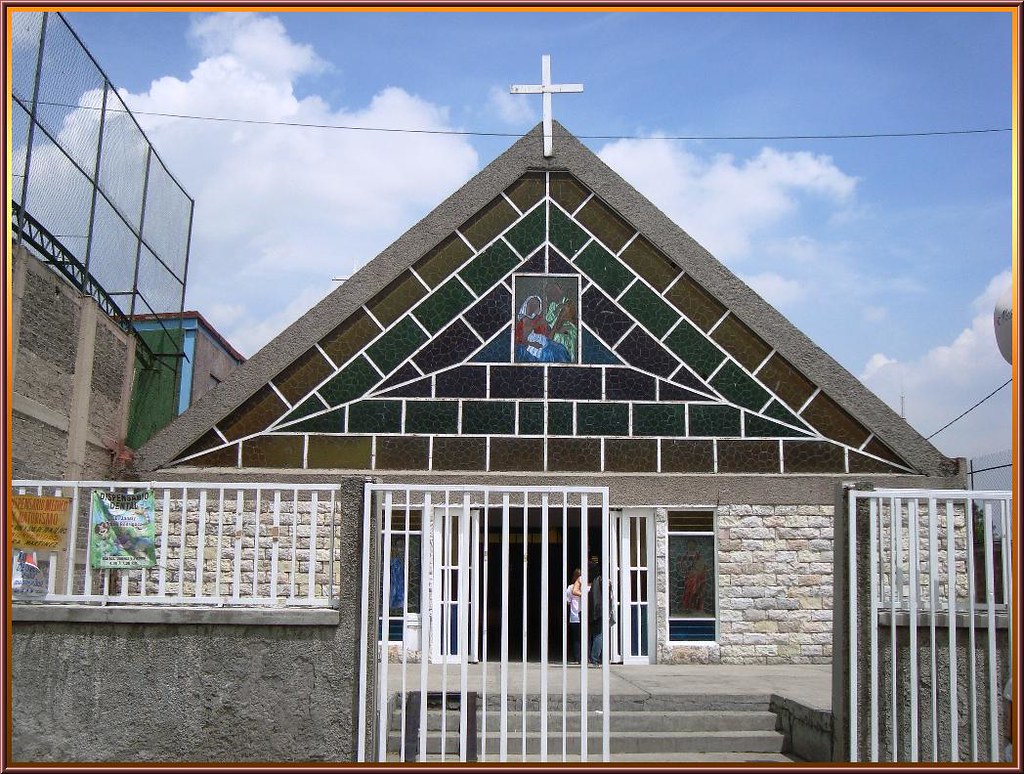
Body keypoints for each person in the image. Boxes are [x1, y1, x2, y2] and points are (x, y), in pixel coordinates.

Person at [565, 568, 582, 664]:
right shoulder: (587, 587)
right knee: (586, 637)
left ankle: (577, 658)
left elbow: (568, 601)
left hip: (574, 615)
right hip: (585, 615)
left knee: (576, 638)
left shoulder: (570, 588)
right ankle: (586, 657)